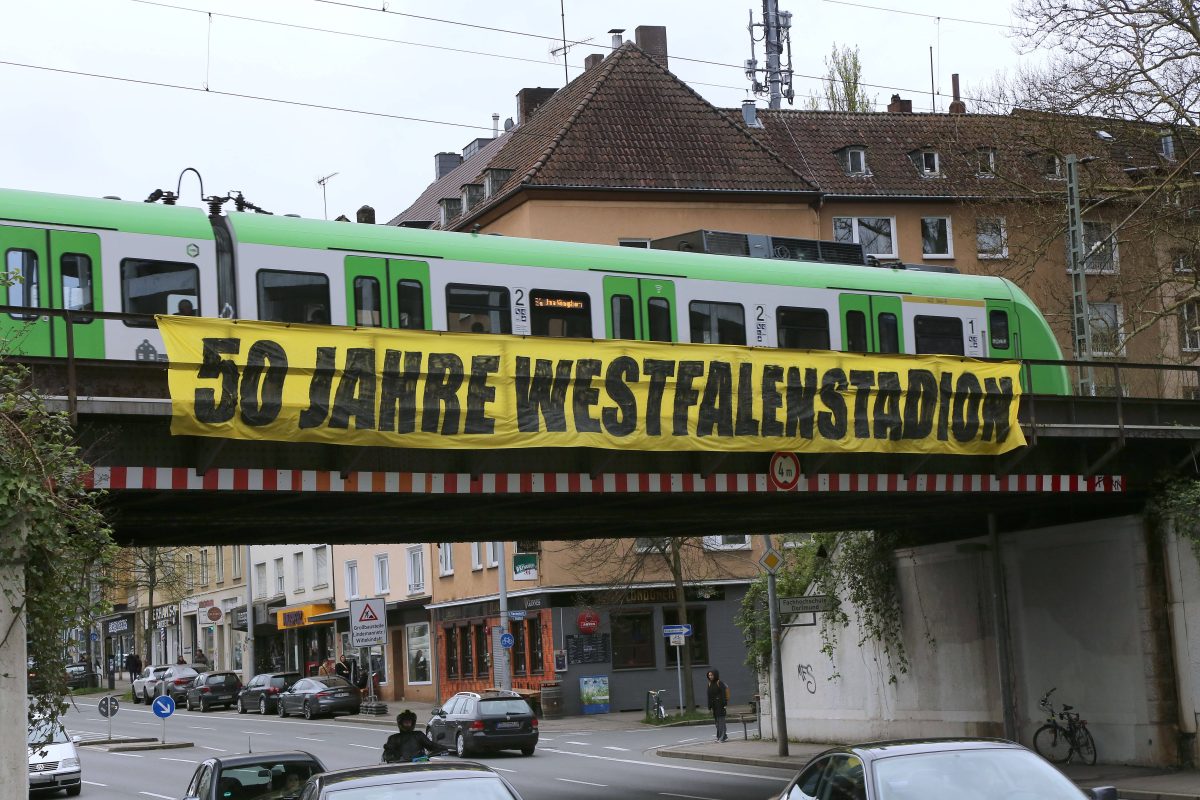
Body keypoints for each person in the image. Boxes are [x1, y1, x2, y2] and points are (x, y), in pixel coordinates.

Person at [382, 709, 449, 763]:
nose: (408, 723)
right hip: (402, 767)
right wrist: (394, 757)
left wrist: (442, 748)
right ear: (400, 723)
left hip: (420, 764)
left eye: (409, 722)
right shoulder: (394, 738)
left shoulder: (419, 735)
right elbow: (387, 754)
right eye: (405, 722)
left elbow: (430, 745)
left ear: (413, 723)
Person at [706, 669, 730, 743]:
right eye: (709, 675)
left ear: (715, 675)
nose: (710, 677)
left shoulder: (719, 683)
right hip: (714, 706)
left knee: (721, 722)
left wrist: (724, 704)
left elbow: (723, 694)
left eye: (711, 675)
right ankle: (721, 736)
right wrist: (709, 706)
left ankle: (721, 738)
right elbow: (709, 696)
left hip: (720, 705)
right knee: (717, 723)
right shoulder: (709, 684)